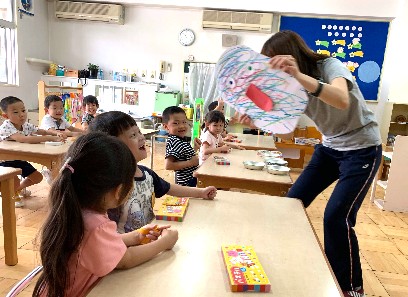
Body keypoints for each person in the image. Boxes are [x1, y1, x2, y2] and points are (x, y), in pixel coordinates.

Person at [257, 30, 382, 297]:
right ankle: (286, 262)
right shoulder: (290, 86)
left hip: (362, 150)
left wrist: (299, 77)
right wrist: (255, 114)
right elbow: (280, 117)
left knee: (336, 218)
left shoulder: (329, 65)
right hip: (330, 148)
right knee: (292, 204)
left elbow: (340, 99)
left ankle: (350, 288)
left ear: (292, 57)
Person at [32, 132, 178, 297]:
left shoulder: (74, 209)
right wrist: (165, 243)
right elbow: (125, 260)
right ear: (118, 191)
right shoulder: (96, 225)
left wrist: (136, 236)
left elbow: (91, 246)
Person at [88, 111, 217, 233]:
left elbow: (169, 188)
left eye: (139, 132)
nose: (141, 138)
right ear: (112, 147)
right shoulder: (110, 185)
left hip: (147, 238)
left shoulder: (146, 174)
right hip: (126, 249)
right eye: (133, 135)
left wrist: (201, 192)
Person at [0, 96, 66, 207]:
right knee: (13, 180)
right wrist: (51, 138)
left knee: (37, 177)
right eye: (16, 112)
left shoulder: (25, 125)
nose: (22, 114)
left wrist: (56, 134)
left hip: (19, 159)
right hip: (5, 162)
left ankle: (16, 190)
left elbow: (41, 131)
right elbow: (24, 139)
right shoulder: (6, 126)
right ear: (6, 116)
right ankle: (10, 193)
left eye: (23, 110)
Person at [162, 106, 202, 187]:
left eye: (184, 122)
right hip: (187, 182)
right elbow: (168, 165)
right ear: (166, 127)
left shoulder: (180, 139)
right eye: (176, 123)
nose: (181, 126)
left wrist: (194, 148)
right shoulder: (174, 141)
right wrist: (190, 163)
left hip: (191, 179)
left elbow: (183, 155)